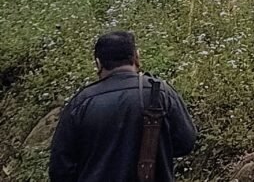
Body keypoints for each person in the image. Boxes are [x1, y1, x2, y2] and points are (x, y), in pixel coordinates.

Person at [49, 31, 197, 182]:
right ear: (136, 57)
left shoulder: (80, 103)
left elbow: (60, 169)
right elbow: (186, 143)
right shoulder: (159, 92)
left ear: (98, 63)